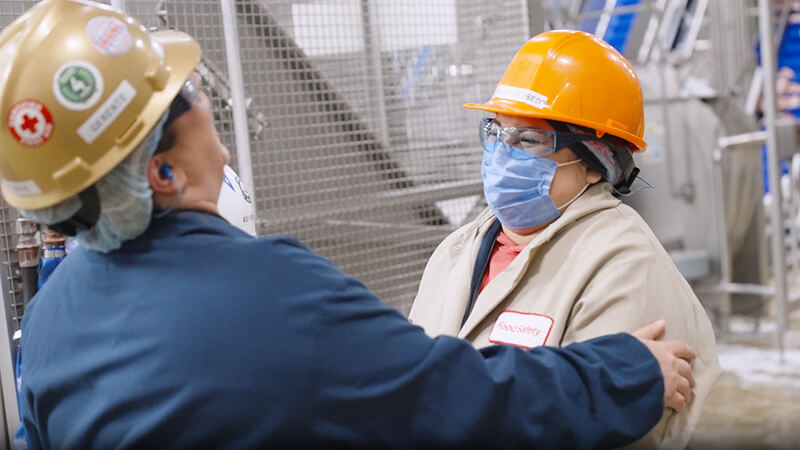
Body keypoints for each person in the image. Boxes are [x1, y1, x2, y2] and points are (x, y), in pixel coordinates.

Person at [0, 2, 696, 448]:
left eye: (527, 140)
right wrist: (629, 373)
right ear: (161, 173)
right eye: (190, 98)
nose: (210, 106)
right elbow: (457, 397)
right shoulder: (270, 297)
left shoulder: (55, 317)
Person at [409, 30, 720, 449]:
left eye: (529, 140)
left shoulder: (623, 266)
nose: (503, 154)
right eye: (497, 131)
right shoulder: (457, 250)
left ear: (596, 161)